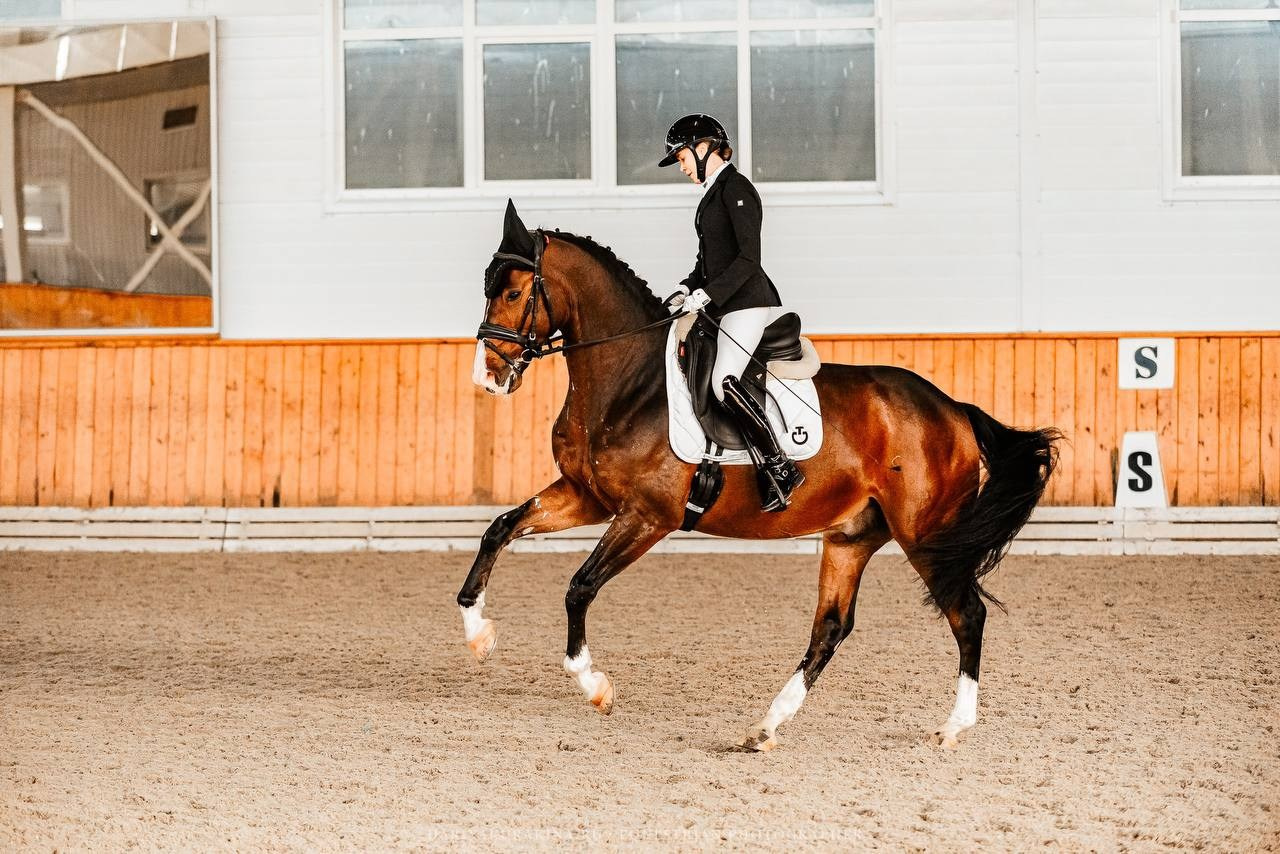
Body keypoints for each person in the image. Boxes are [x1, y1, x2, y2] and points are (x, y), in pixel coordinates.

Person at [658, 113, 804, 512]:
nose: (683, 167)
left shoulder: (737, 189)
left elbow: (747, 260)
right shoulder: (711, 195)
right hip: (721, 302)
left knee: (724, 379)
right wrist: (686, 287)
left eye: (683, 158)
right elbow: (710, 261)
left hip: (746, 302)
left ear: (703, 147)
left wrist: (706, 295)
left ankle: (779, 466)